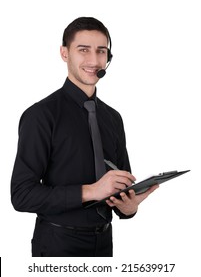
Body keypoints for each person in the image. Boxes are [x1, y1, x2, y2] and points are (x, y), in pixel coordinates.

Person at [11, 17, 158, 257]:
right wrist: (91, 191)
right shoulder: (40, 115)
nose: (93, 60)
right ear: (64, 53)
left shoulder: (113, 118)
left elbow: (119, 191)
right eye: (83, 50)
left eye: (101, 51)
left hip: (105, 244)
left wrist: (129, 207)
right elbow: (21, 195)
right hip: (57, 245)